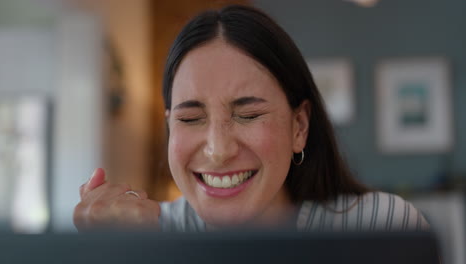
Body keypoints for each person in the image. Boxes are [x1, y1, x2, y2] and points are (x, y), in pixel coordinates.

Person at [73, 5, 429, 232]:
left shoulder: (381, 229)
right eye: (191, 118)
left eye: (248, 114)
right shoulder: (147, 237)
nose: (218, 150)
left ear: (299, 127)